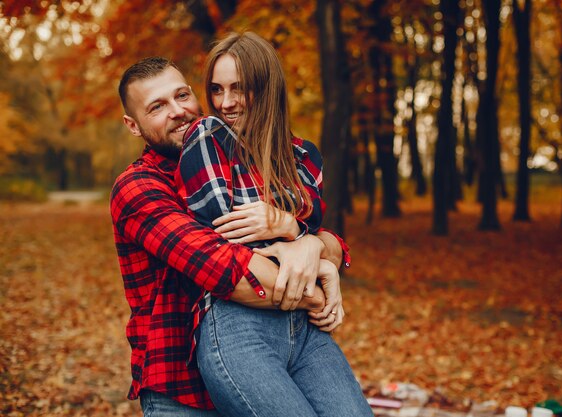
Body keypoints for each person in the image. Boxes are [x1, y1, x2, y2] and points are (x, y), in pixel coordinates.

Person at [111, 56, 352, 416]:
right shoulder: (138, 188)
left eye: (182, 95)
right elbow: (230, 270)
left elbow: (320, 237)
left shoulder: (239, 160)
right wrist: (319, 295)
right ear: (133, 125)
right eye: (158, 106)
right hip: (183, 388)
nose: (178, 111)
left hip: (276, 357)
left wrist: (309, 241)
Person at [176, 31, 373, 417]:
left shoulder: (304, 154)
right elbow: (229, 231)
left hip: (304, 331)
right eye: (216, 89)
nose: (225, 102)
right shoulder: (206, 136)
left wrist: (292, 228)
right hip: (237, 325)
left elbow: (314, 215)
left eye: (239, 88)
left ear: (267, 89)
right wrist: (304, 239)